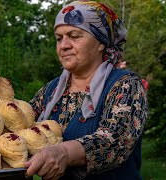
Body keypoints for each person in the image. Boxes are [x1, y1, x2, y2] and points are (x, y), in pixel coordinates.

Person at [25, 1, 148, 179]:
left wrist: (64, 153)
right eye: (59, 38)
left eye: (74, 36)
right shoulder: (51, 90)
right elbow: (21, 126)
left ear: (101, 43)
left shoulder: (125, 85)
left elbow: (114, 141)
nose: (63, 45)